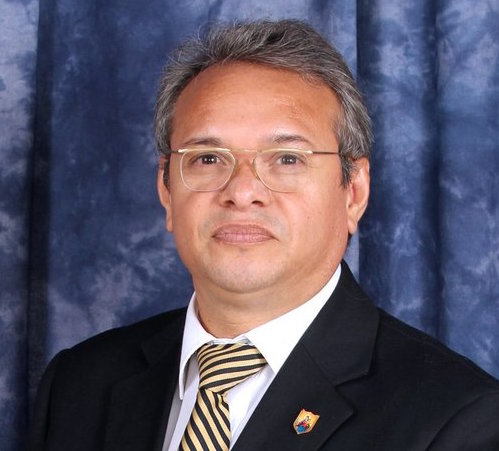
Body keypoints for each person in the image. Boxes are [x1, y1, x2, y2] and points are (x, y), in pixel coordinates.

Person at [28, 19, 499, 451]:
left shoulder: (457, 421)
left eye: (287, 159)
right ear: (167, 190)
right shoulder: (78, 386)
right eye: (207, 158)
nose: (242, 192)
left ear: (353, 192)